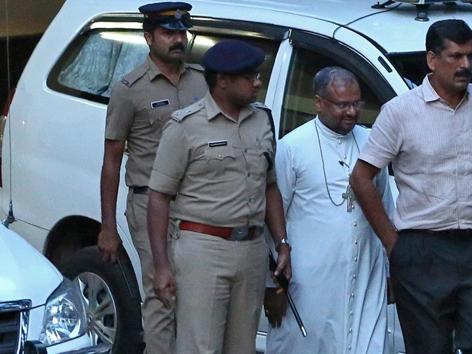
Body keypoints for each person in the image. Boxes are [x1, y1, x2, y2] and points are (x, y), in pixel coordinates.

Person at [350, 19, 472, 354]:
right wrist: (393, 243)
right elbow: (361, 177)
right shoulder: (400, 113)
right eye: (456, 57)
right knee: (429, 347)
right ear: (432, 60)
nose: (465, 65)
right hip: (421, 249)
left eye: (471, 56)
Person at [147, 39, 292, 354]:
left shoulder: (263, 120)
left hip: (252, 250)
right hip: (203, 249)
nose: (258, 82)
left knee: (243, 347)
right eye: (249, 76)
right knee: (201, 346)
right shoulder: (186, 126)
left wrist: (281, 244)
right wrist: (161, 266)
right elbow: (158, 196)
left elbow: (269, 186)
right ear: (223, 82)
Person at [97, 2, 207, 353]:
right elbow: (112, 160)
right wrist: (108, 227)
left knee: (197, 296)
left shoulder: (203, 82)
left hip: (196, 202)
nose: (178, 39)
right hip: (149, 203)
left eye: (181, 32)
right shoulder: (129, 89)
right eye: (168, 33)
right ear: (148, 37)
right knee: (161, 294)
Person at [265, 66, 393, 354]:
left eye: (356, 103)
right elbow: (273, 219)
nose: (351, 112)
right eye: (342, 105)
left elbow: (385, 208)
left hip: (365, 275)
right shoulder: (292, 147)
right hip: (308, 281)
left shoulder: (372, 142)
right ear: (319, 102)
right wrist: (270, 284)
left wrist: (390, 270)